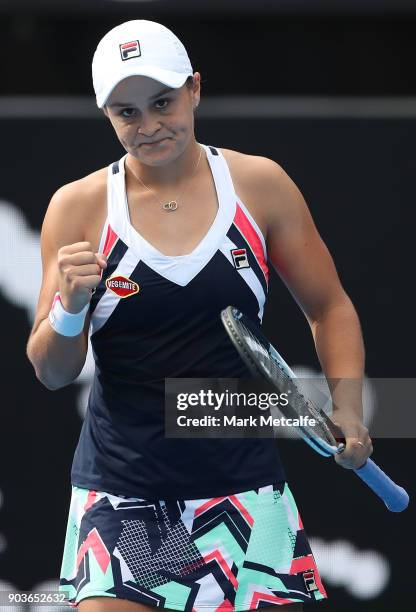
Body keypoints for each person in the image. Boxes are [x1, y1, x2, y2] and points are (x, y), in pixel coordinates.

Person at [26, 19, 373, 612]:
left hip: (246, 491)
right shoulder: (77, 207)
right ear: (106, 115)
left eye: (162, 102)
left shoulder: (261, 186)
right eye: (126, 112)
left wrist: (347, 405)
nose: (148, 125)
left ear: (194, 89)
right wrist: (69, 307)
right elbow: (53, 372)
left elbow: (329, 306)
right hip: (122, 496)